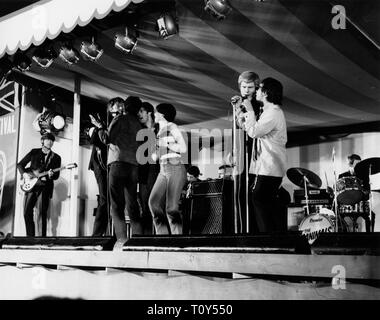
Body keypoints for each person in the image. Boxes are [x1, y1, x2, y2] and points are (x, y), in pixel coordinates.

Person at [236, 77, 287, 233]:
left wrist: (250, 110)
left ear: (265, 92)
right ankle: (272, 239)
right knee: (265, 203)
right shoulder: (270, 112)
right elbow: (254, 130)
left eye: (258, 89)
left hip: (269, 167)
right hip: (266, 167)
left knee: (259, 200)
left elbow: (254, 132)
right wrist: (242, 120)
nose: (256, 91)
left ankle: (269, 241)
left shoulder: (273, 113)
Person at [95, 96, 144, 249]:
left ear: (126, 107)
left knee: (116, 205)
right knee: (132, 205)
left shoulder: (121, 119)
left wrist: (100, 128)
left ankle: (122, 241)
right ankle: (138, 241)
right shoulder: (140, 125)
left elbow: (107, 138)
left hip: (118, 163)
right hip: (133, 166)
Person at [148, 103, 187, 235]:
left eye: (156, 112)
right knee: (153, 203)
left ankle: (177, 239)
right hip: (163, 169)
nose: (154, 115)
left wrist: (167, 143)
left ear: (162, 114)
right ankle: (162, 237)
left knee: (171, 208)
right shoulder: (159, 131)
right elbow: (155, 157)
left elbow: (183, 148)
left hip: (175, 167)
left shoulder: (173, 127)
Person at [231, 71, 262, 233]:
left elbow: (251, 128)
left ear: (256, 88)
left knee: (251, 193)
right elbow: (237, 128)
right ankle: (240, 230)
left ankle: (253, 230)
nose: (246, 90)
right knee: (239, 194)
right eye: (244, 87)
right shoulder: (238, 104)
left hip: (254, 151)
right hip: (240, 151)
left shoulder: (259, 105)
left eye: (250, 87)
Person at [17, 132, 61, 236]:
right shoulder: (34, 152)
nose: (50, 142)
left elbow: (56, 175)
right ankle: (30, 238)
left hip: (45, 187)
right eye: (48, 140)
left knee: (42, 213)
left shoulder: (56, 157)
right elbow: (20, 165)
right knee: (27, 212)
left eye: (52, 140)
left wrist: (50, 175)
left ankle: (42, 240)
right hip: (31, 186)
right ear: (42, 141)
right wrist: (25, 175)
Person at [137, 101, 160, 235]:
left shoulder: (160, 129)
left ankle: (161, 238)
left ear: (149, 113)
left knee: (157, 207)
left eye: (141, 111)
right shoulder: (139, 131)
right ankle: (146, 239)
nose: (139, 114)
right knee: (145, 208)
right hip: (144, 173)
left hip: (158, 171)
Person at [87, 113, 108, 236]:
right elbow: (94, 141)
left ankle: (100, 233)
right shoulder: (98, 130)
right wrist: (99, 127)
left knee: (105, 200)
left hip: (105, 166)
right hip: (99, 166)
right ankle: (97, 234)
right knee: (104, 199)